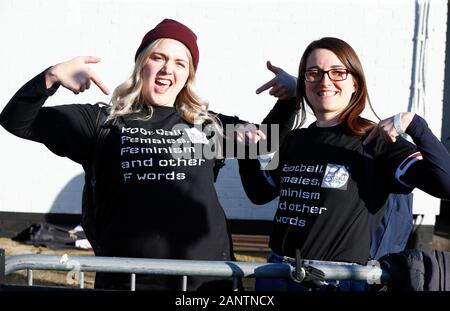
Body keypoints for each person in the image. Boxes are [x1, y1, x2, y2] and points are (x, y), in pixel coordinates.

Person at [0, 19, 290, 290]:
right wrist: (50, 78)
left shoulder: (206, 125)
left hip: (207, 282)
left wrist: (291, 98)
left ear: (188, 75)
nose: (167, 69)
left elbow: (267, 141)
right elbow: (16, 121)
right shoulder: (103, 122)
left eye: (180, 62)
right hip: (129, 279)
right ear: (141, 64)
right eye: (158, 57)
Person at [238, 37, 450, 291]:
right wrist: (246, 146)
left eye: (337, 72)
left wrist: (415, 124)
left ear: (355, 83)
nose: (325, 81)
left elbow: (446, 184)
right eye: (313, 73)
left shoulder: (375, 141)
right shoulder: (297, 140)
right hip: (276, 276)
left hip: (334, 281)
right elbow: (259, 192)